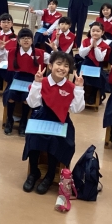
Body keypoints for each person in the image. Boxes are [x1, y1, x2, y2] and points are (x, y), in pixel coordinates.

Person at [23, 52, 85, 194]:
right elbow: (33, 104)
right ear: (50, 66)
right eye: (58, 64)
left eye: (66, 65)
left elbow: (76, 109)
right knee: (33, 136)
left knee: (56, 141)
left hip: (61, 121)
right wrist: (37, 83)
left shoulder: (71, 86)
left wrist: (79, 88)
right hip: (42, 117)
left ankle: (50, 175)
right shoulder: (42, 81)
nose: (62, 68)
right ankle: (34, 172)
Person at [0, 28, 50, 136]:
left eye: (28, 38)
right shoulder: (13, 52)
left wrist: (55, 50)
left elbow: (53, 59)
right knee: (10, 95)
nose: (26, 40)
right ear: (18, 41)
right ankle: (9, 120)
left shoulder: (40, 53)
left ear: (32, 40)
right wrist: (2, 49)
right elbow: (1, 57)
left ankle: (23, 121)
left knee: (27, 97)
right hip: (16, 79)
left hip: (32, 80)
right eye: (23, 38)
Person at [76, 22, 111, 105]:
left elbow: (100, 58)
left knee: (98, 78)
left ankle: (93, 94)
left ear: (102, 32)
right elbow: (81, 54)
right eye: (93, 31)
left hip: (97, 65)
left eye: (98, 31)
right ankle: (81, 94)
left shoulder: (104, 45)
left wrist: (95, 47)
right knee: (80, 75)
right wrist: (90, 46)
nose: (95, 33)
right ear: (90, 31)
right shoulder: (86, 41)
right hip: (86, 63)